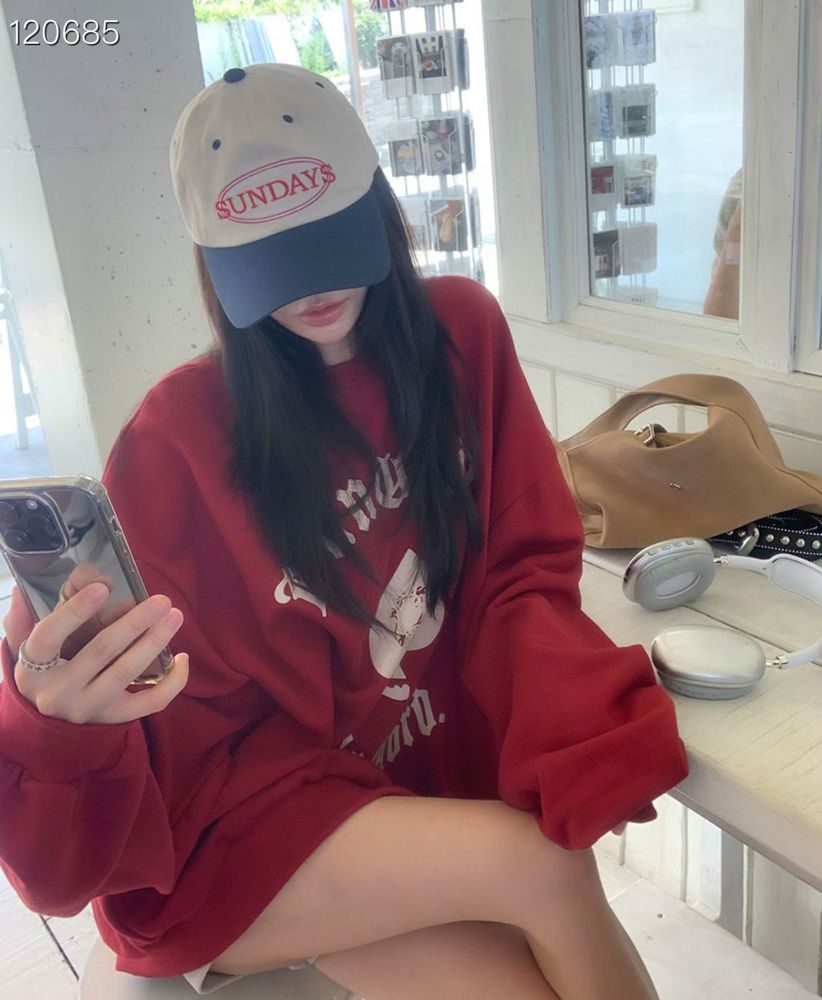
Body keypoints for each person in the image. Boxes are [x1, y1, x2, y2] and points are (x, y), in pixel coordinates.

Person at [0, 64, 688, 999]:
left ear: (378, 208)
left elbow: (519, 569)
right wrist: (47, 723)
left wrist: (577, 720)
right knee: (545, 866)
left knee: (538, 926)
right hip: (239, 828)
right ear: (217, 265)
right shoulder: (175, 441)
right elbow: (97, 694)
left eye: (329, 242)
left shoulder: (461, 334)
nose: (314, 288)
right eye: (274, 263)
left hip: (391, 801)